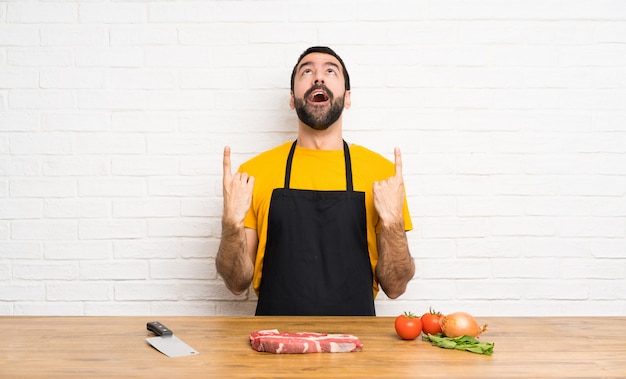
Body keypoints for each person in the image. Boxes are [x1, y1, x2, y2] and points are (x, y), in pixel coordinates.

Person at [216, 46, 415, 316]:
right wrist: (231, 226)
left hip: (355, 345)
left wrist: (393, 223)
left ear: (347, 98)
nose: (318, 78)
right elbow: (236, 284)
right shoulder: (254, 173)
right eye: (306, 71)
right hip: (275, 344)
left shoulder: (382, 175)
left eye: (330, 71)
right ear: (291, 98)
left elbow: (395, 286)